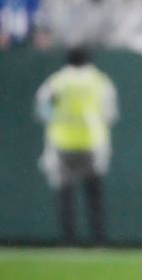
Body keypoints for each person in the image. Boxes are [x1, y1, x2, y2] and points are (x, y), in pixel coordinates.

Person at [35, 48, 118, 245]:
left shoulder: (58, 81)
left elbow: (42, 108)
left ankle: (68, 239)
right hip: (92, 142)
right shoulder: (99, 80)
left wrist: (57, 120)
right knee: (93, 193)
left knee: (65, 192)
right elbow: (110, 113)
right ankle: (99, 239)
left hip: (62, 142)